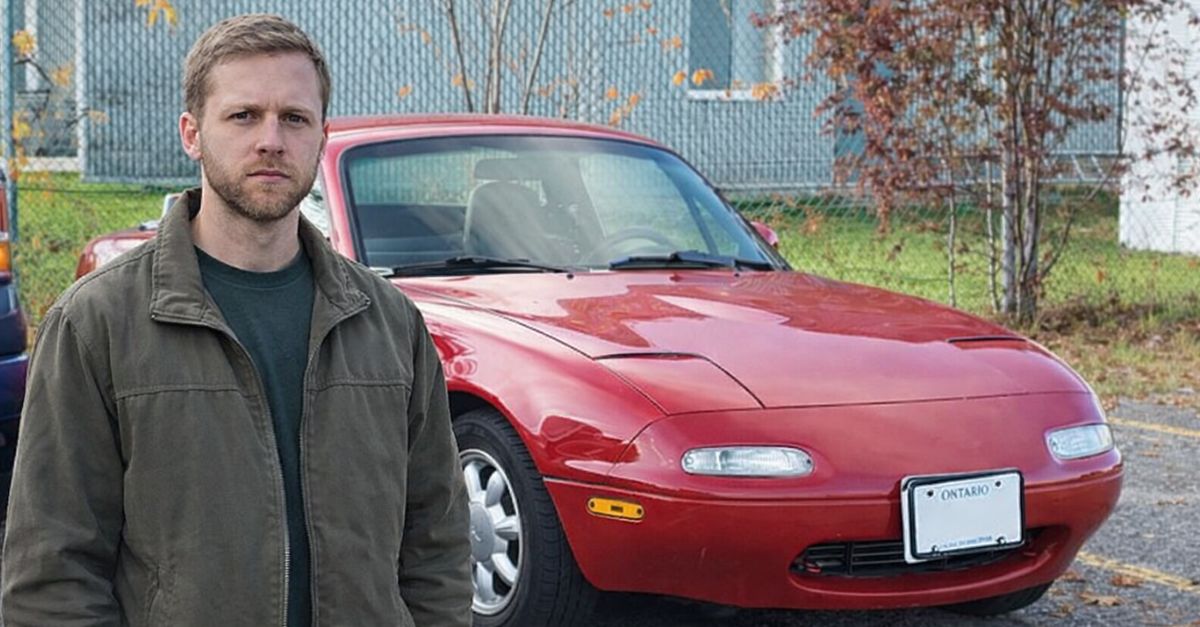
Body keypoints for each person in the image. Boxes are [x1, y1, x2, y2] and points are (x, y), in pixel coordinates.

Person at [1, 14, 472, 627]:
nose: (271, 139)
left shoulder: (388, 323)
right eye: (244, 115)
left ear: (321, 135)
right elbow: (52, 574)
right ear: (192, 134)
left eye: (294, 118)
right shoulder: (96, 323)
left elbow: (436, 539)